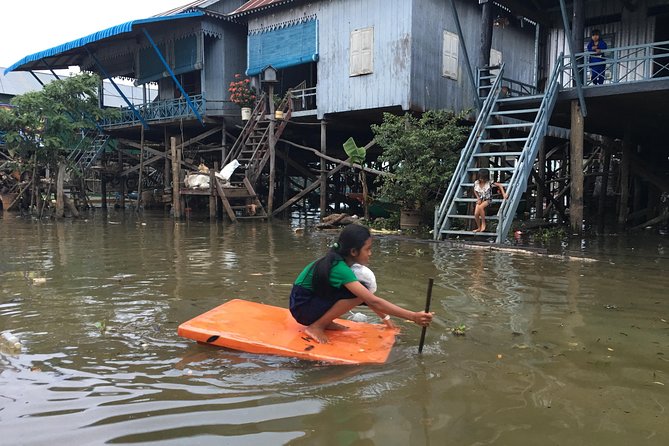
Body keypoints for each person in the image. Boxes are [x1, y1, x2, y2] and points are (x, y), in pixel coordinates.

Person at [288, 224, 433, 343]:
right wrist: (413, 316)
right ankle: (316, 326)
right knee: (360, 292)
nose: (370, 253)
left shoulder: (341, 263)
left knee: (361, 291)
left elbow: (368, 298)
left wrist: (387, 321)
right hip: (301, 307)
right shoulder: (340, 268)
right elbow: (372, 300)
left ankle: (323, 322)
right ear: (353, 251)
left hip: (306, 303)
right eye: (367, 249)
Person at [473, 168, 508, 233]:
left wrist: (504, 193)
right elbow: (475, 190)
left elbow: (499, 185)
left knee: (480, 207)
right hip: (481, 199)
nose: (482, 180)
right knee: (476, 214)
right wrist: (478, 198)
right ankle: (478, 227)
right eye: (481, 178)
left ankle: (483, 223)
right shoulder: (476, 183)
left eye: (484, 178)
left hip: (488, 199)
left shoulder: (489, 183)